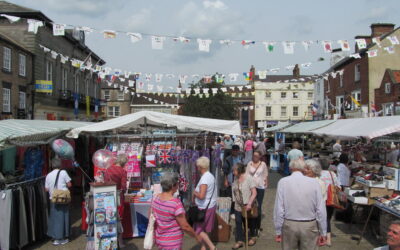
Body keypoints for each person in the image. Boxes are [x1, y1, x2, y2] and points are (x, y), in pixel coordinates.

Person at [273, 159, 327, 250]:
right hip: (309, 225)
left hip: (289, 224)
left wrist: (278, 230)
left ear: (290, 168)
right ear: (303, 169)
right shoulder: (314, 183)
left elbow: (279, 208)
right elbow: (320, 210)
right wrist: (323, 232)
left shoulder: (283, 182)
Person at [152, 172, 201, 250]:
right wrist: (196, 235)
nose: (178, 186)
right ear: (172, 186)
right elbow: (185, 226)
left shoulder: (155, 198)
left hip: (160, 240)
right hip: (172, 243)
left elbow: (151, 217)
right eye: (177, 184)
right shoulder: (175, 204)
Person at [45, 157, 72, 246]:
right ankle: (62, 237)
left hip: (53, 199)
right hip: (63, 199)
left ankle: (55, 237)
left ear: (52, 165)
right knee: (64, 217)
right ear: (60, 165)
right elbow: (69, 184)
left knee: (54, 218)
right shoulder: (63, 172)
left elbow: (46, 189)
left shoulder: (48, 175)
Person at [193, 157, 217, 250]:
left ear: (200, 166)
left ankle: (212, 247)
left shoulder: (204, 179)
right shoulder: (210, 176)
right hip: (210, 205)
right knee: (203, 229)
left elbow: (202, 195)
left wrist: (195, 193)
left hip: (204, 207)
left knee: (197, 229)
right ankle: (203, 247)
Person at [104, 154, 128, 246]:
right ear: (123, 163)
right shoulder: (122, 171)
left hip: (108, 196)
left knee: (109, 217)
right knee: (119, 218)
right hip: (118, 197)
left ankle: (109, 240)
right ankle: (120, 242)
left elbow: (105, 182)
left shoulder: (108, 169)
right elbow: (123, 187)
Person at [232, 163, 258, 249]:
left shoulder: (248, 178)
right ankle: (239, 241)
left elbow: (254, 192)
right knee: (238, 222)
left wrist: (250, 203)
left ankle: (252, 237)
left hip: (248, 204)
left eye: (234, 170)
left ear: (239, 170)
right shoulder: (235, 178)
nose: (233, 172)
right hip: (238, 205)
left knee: (250, 222)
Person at [246, 151, 268, 236]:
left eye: (256, 156)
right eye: (253, 155)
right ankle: (250, 226)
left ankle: (257, 227)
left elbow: (265, 173)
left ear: (259, 157)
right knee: (250, 205)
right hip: (251, 187)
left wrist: (266, 182)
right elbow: (247, 174)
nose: (254, 157)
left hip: (260, 187)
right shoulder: (249, 164)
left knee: (258, 207)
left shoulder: (263, 164)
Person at [319, 158, 340, 247]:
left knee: (319, 218)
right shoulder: (332, 174)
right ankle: (328, 239)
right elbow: (338, 186)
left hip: (321, 199)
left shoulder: (318, 174)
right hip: (331, 199)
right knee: (327, 218)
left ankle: (320, 237)